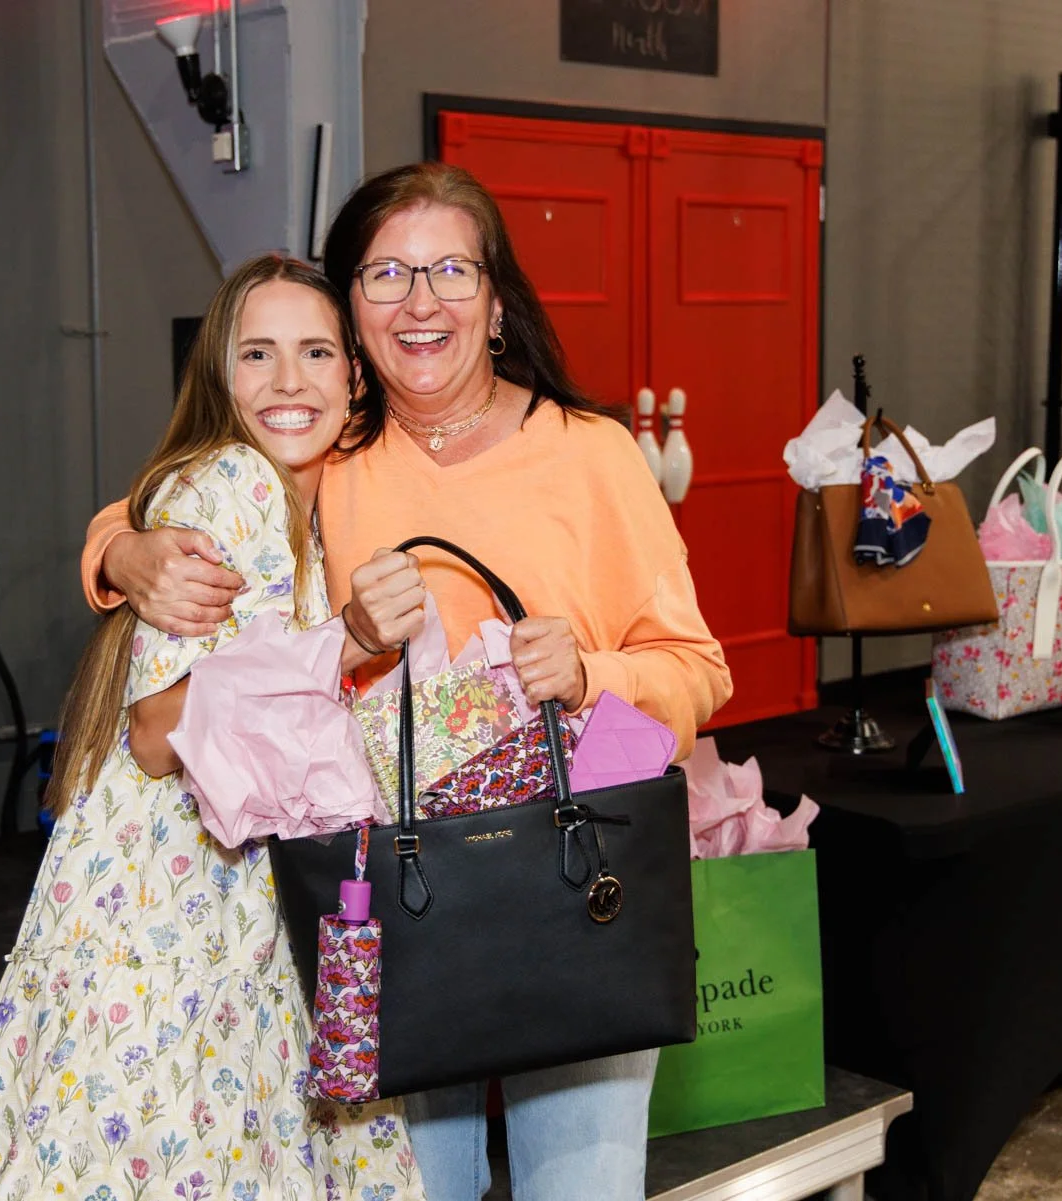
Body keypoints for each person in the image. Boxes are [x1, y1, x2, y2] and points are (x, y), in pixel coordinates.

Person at [78, 163, 733, 1201]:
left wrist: (591, 671)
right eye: (385, 273)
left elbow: (699, 668)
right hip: (395, 899)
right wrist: (122, 551)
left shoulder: (593, 454)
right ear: (351, 311)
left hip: (573, 882)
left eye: (447, 270)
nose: (419, 300)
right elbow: (177, 489)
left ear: (498, 298)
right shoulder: (332, 449)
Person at [0, 254, 426, 1201]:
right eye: (258, 354)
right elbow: (157, 731)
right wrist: (346, 643)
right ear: (219, 373)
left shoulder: (295, 497)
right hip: (178, 904)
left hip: (193, 893)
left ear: (352, 376)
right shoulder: (230, 488)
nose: (289, 381)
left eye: (316, 351)